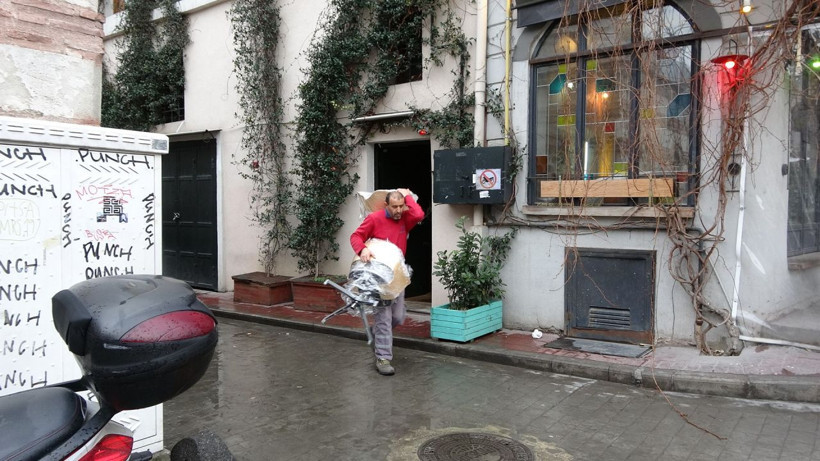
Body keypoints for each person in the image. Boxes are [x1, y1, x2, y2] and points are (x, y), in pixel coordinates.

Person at [350, 188, 424, 375]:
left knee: (397, 317)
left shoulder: (405, 219)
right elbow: (356, 236)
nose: (398, 210)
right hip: (378, 275)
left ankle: (378, 333)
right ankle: (383, 358)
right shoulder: (375, 218)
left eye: (401, 206)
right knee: (383, 317)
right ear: (386, 205)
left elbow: (419, 214)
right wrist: (362, 250)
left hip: (397, 275)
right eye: (394, 207)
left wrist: (407, 194)